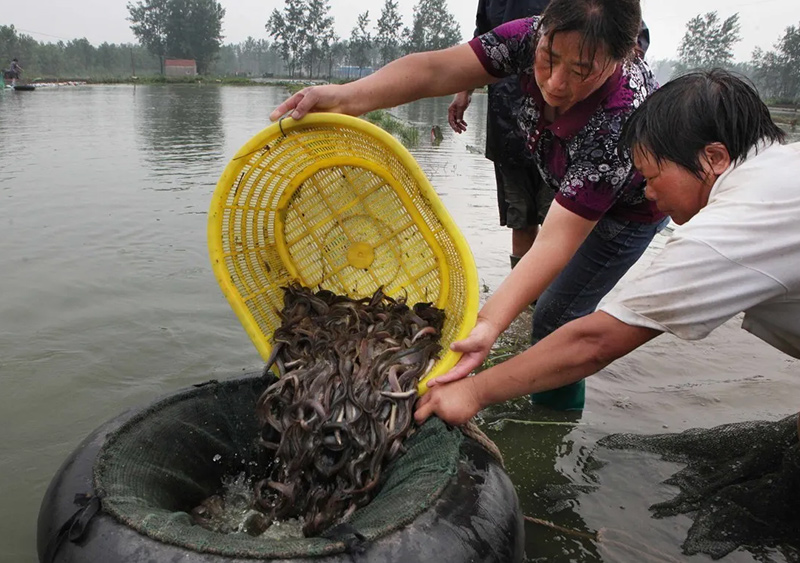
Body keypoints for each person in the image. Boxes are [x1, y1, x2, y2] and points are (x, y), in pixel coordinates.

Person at [271, 0, 666, 411]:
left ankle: (553, 425)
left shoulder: (620, 119)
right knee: (542, 294)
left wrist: (489, 323)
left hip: (630, 210)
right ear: (544, 30)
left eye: (581, 72)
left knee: (556, 317)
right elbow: (434, 70)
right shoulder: (530, 36)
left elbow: (555, 242)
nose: (555, 82)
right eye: (549, 59)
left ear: (622, 57)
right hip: (567, 172)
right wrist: (347, 98)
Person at [415, 70, 799, 434]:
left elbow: (595, 342)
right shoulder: (782, 167)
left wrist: (473, 392)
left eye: (650, 176)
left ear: (714, 158)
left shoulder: (732, 225)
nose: (648, 193)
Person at [448, 0, 552, 271]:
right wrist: (464, 90)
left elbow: (624, 33)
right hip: (507, 119)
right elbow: (482, 42)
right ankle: (524, 303)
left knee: (558, 222)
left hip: (560, 125)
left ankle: (555, 304)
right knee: (520, 218)